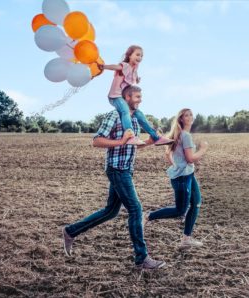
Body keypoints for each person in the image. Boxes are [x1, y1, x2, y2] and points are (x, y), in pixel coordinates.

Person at [62, 85, 165, 270]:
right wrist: (120, 141)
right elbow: (96, 140)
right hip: (116, 169)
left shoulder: (134, 119)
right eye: (137, 96)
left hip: (126, 169)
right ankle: (141, 258)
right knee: (135, 209)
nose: (140, 99)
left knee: (111, 211)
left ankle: (70, 231)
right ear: (126, 97)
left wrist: (149, 142)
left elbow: (132, 145)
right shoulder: (114, 115)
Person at [143, 108, 208, 249]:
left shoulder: (180, 135)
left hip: (188, 175)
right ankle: (147, 216)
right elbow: (190, 158)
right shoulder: (185, 136)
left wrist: (177, 165)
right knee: (180, 210)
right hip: (182, 178)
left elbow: (169, 155)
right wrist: (203, 149)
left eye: (191, 114)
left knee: (196, 203)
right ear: (181, 119)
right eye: (186, 115)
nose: (190, 116)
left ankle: (186, 240)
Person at [99, 45, 173, 146]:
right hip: (115, 96)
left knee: (140, 115)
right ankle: (130, 136)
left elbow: (135, 74)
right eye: (137, 54)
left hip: (124, 97)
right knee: (125, 110)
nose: (140, 57)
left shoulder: (135, 67)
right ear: (129, 55)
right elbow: (116, 67)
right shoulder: (125, 65)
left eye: (142, 56)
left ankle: (156, 138)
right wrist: (104, 66)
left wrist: (137, 79)